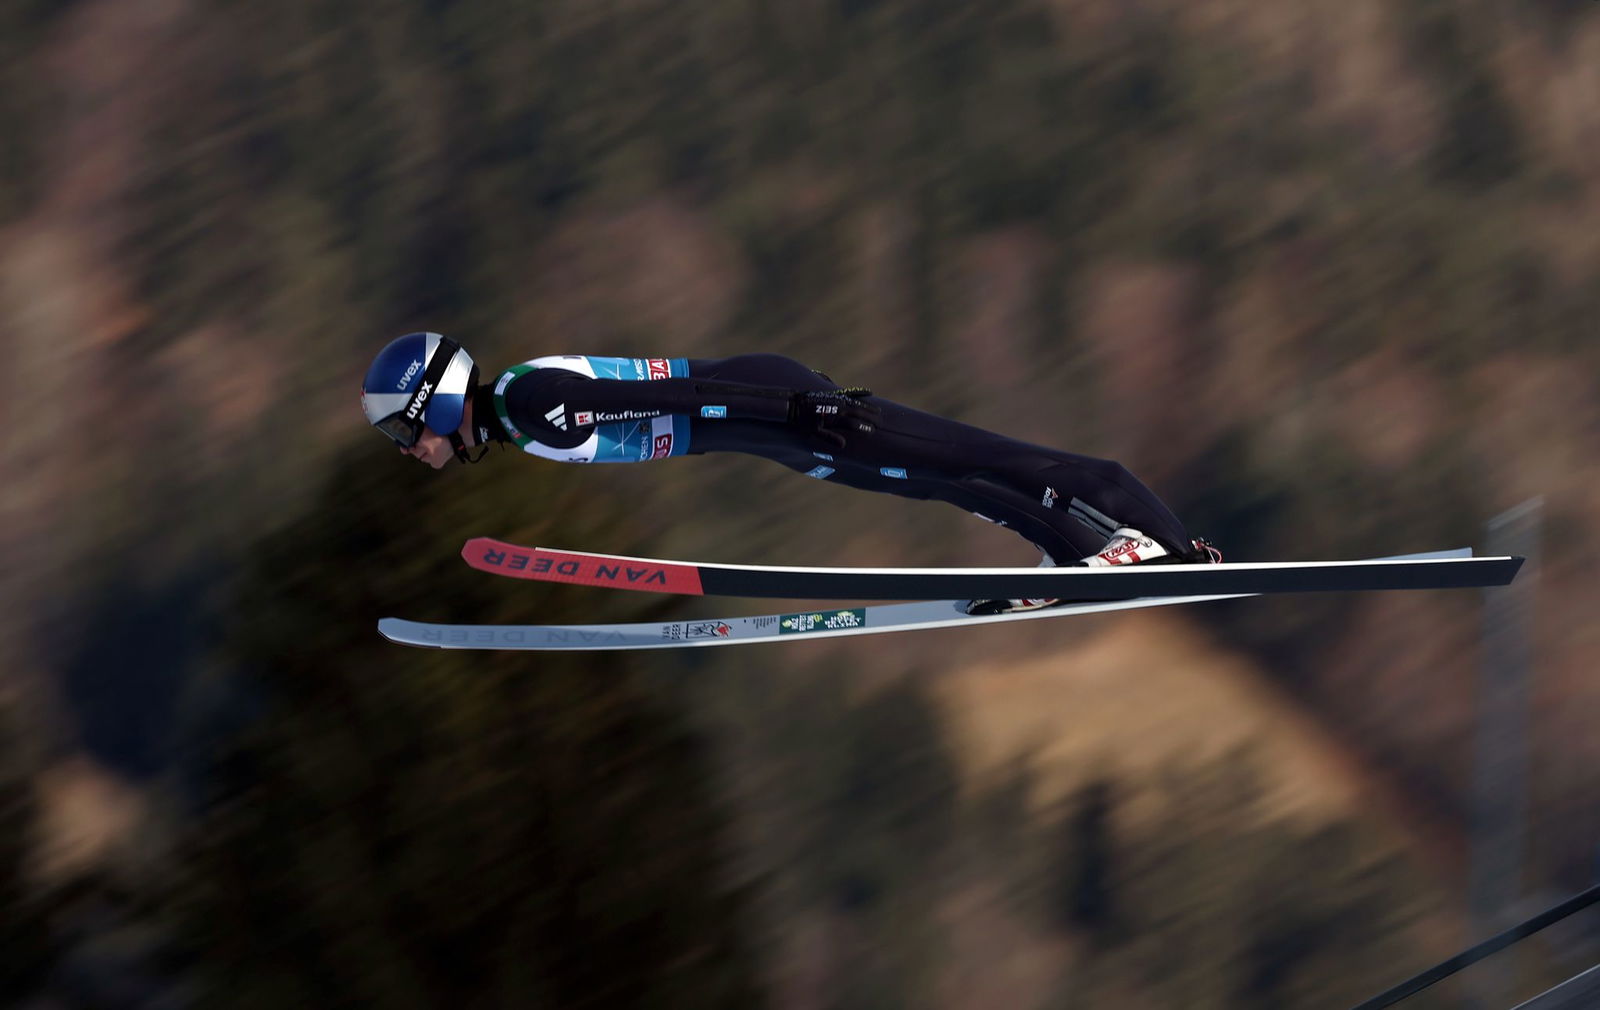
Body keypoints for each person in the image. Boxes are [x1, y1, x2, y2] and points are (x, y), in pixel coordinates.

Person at [360, 332, 1220, 614]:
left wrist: (801, 413)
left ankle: (1133, 553)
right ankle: (1123, 554)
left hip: (772, 411)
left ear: (433, 403)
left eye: (406, 431)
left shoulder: (532, 406)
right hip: (770, 426)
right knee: (949, 480)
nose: (408, 450)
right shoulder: (520, 412)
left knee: (976, 464)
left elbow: (695, 394)